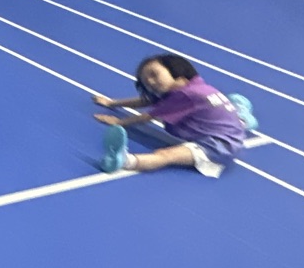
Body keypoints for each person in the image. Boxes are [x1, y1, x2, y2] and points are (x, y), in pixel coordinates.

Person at [93, 53, 258, 178]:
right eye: (146, 82)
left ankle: (124, 160)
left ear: (174, 69)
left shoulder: (186, 95)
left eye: (154, 74)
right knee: (222, 116)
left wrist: (120, 122)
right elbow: (148, 100)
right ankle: (240, 115)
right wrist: (111, 103)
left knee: (166, 155)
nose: (150, 82)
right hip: (227, 126)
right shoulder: (193, 86)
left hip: (219, 146)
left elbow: (149, 116)